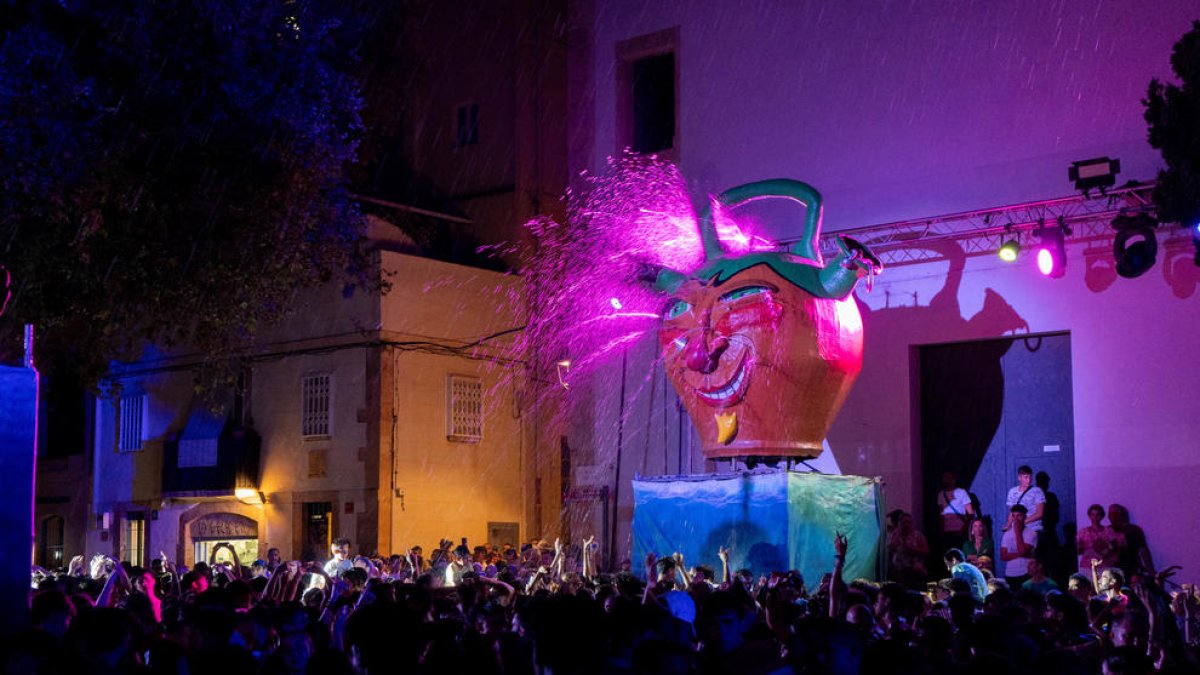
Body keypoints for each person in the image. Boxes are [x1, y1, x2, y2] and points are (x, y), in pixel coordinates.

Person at [1108, 503, 1155, 583]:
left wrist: (1150, 571)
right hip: (1113, 571)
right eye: (1109, 514)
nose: (1109, 517)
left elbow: (1143, 551)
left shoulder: (1133, 530)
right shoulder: (1107, 531)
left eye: (1112, 514)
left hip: (1132, 569)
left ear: (1120, 515)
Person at [886, 510, 928, 588]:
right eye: (904, 522)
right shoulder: (893, 535)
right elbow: (889, 551)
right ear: (899, 523)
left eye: (909, 522)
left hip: (915, 571)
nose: (906, 525)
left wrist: (913, 550)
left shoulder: (918, 535)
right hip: (898, 572)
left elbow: (926, 551)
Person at [936, 471, 974, 553]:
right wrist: (941, 530)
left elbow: (970, 513)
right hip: (947, 532)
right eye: (946, 478)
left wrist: (964, 528)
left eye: (950, 478)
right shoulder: (941, 494)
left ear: (955, 480)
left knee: (961, 554)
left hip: (960, 531)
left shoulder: (962, 492)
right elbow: (941, 514)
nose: (948, 481)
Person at [1076, 503, 1119, 576]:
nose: (1095, 518)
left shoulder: (1108, 531)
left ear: (1102, 516)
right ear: (1089, 516)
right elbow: (1078, 550)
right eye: (1092, 515)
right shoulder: (1083, 532)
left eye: (1098, 515)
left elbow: (1115, 549)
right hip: (1087, 567)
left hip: (1105, 567)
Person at [1003, 465, 1045, 538]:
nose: (1028, 480)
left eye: (1030, 477)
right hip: (1017, 531)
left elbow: (1039, 514)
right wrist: (1008, 525)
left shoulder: (1037, 491)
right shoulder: (1012, 492)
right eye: (1026, 477)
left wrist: (1022, 522)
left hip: (1033, 530)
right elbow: (1012, 512)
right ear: (1019, 477)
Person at [999, 504, 1036, 587]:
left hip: (1025, 573)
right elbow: (1003, 556)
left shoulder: (1031, 533)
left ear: (1025, 517)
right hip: (1009, 574)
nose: (1016, 519)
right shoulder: (1007, 534)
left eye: (1019, 516)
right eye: (1014, 516)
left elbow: (1023, 551)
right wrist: (1022, 554)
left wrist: (1017, 532)